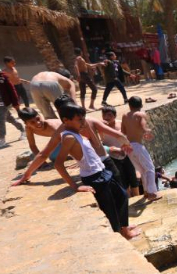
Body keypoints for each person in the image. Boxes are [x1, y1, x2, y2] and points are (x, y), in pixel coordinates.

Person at [54, 103, 139, 239]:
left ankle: (124, 228)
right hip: (93, 177)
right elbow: (58, 163)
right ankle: (122, 234)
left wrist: (86, 126)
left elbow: (96, 146)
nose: (83, 122)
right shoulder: (69, 137)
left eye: (83, 118)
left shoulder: (77, 132)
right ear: (65, 120)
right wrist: (75, 186)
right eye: (79, 119)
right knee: (110, 208)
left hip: (102, 171)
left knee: (122, 196)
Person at [121, 97, 160, 201]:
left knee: (142, 170)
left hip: (128, 147)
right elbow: (143, 126)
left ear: (129, 106)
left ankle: (146, 192)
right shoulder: (140, 114)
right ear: (141, 105)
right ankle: (152, 193)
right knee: (150, 169)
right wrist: (147, 131)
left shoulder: (125, 115)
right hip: (138, 146)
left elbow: (123, 131)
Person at [99, 106, 140, 197]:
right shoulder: (100, 127)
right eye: (104, 115)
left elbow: (131, 138)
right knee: (122, 180)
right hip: (113, 157)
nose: (106, 117)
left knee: (133, 178)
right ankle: (129, 199)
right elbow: (98, 143)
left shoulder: (121, 124)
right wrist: (111, 149)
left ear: (115, 115)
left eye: (109, 114)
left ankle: (137, 197)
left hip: (127, 154)